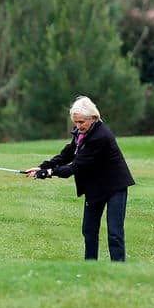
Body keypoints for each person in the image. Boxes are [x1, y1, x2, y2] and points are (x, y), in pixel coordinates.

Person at [26, 96, 135, 261]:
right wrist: (43, 167)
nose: (78, 126)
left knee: (114, 232)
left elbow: (74, 167)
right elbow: (67, 154)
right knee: (89, 230)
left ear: (93, 118)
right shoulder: (81, 133)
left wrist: (48, 173)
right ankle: (90, 266)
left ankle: (118, 268)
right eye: (75, 122)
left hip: (115, 186)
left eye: (82, 122)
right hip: (95, 186)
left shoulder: (101, 136)